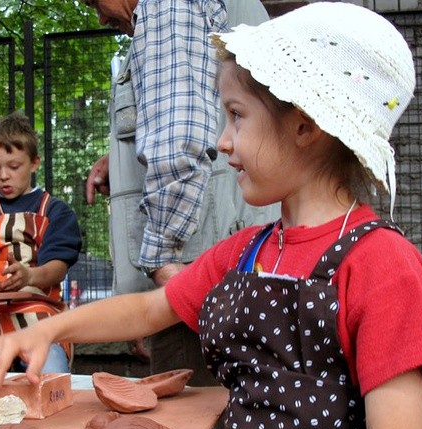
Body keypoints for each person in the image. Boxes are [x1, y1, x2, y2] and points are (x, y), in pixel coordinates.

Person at [0, 3, 422, 429]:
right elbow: (150, 310)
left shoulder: (381, 264)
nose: (221, 141)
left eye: (237, 115)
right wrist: (47, 331)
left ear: (306, 126)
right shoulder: (248, 252)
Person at [83, 0, 279, 385]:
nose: (100, 16)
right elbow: (197, 115)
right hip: (226, 261)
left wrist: (158, 268)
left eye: (94, 1)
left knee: (191, 427)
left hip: (187, 266)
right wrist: (121, 161)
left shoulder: (166, 7)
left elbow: (179, 143)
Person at [0, 111, 82, 373]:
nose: (4, 176)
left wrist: (29, 276)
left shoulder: (55, 212)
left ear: (34, 163)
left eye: (13, 166)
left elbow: (58, 267)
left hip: (36, 311)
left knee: (49, 369)